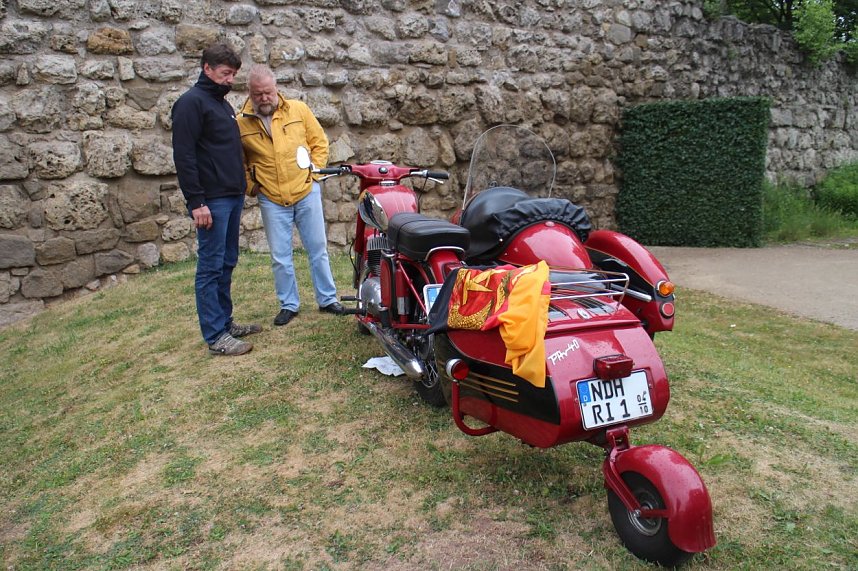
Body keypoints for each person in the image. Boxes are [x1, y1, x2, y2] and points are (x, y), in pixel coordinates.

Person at [171, 43, 262, 356]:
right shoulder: (190, 104)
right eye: (225, 73)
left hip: (231, 196)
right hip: (211, 200)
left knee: (226, 262)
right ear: (206, 68)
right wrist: (197, 202)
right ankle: (215, 336)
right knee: (210, 267)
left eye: (233, 74)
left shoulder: (222, 105)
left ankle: (225, 322)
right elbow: (184, 156)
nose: (229, 80)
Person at [237, 64, 343, 326]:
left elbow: (319, 142)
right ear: (249, 92)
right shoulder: (241, 123)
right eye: (258, 93)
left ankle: (328, 298)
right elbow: (239, 161)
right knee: (280, 256)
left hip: (305, 190)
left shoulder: (298, 110)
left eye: (268, 92)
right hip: (271, 197)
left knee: (317, 248)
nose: (264, 98)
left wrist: (314, 174)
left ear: (276, 89)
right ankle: (289, 304)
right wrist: (252, 186)